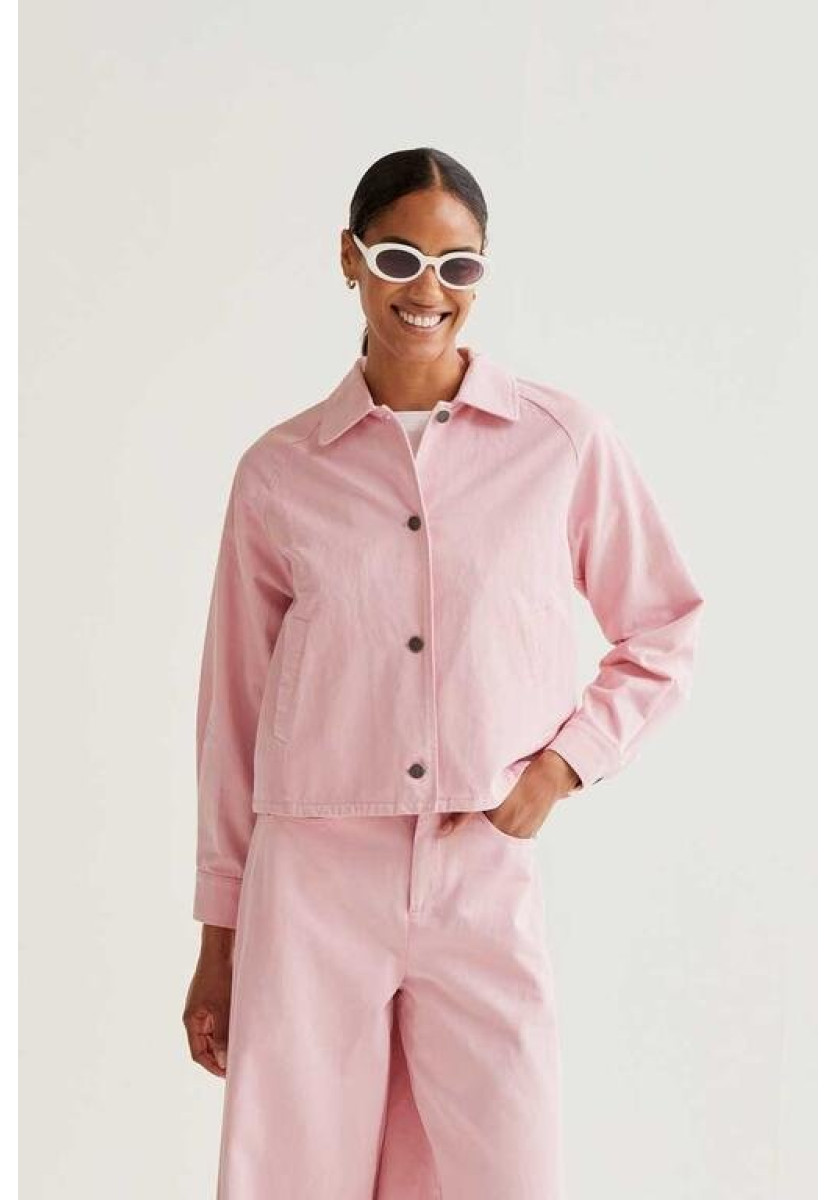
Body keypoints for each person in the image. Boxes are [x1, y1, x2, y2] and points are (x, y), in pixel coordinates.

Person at [182, 146, 705, 1199]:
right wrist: (219, 934)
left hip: (481, 867)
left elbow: (662, 626)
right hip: (311, 877)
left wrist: (561, 767)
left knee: (503, 1173)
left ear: (480, 276)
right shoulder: (280, 471)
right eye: (398, 257)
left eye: (457, 266)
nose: (427, 288)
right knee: (292, 1175)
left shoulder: (560, 443)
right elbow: (232, 709)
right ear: (349, 258)